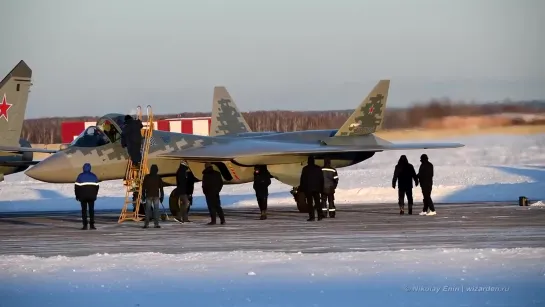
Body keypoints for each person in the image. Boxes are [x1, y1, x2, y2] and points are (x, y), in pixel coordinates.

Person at [74, 163, 99, 230]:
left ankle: (85, 225)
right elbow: (97, 187)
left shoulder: (80, 176)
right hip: (91, 196)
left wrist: (77, 195)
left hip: (83, 197)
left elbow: (76, 187)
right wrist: (95, 194)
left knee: (84, 211)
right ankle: (92, 225)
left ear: (83, 168)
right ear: (90, 168)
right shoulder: (94, 176)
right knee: (91, 210)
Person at [299, 156, 324, 221]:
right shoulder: (318, 168)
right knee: (318, 203)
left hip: (308, 189)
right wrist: (321, 188)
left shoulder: (305, 169)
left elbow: (302, 179)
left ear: (308, 161)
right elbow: (321, 179)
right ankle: (320, 216)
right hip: (316, 189)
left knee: (310, 204)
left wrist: (302, 188)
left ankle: (312, 217)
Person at [141, 164, 164, 228]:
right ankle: (156, 224)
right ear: (156, 170)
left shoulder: (147, 177)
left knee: (147, 210)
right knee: (156, 210)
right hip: (156, 196)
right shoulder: (158, 177)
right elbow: (161, 188)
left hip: (148, 195)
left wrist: (143, 196)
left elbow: (143, 187)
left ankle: (146, 224)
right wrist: (162, 196)